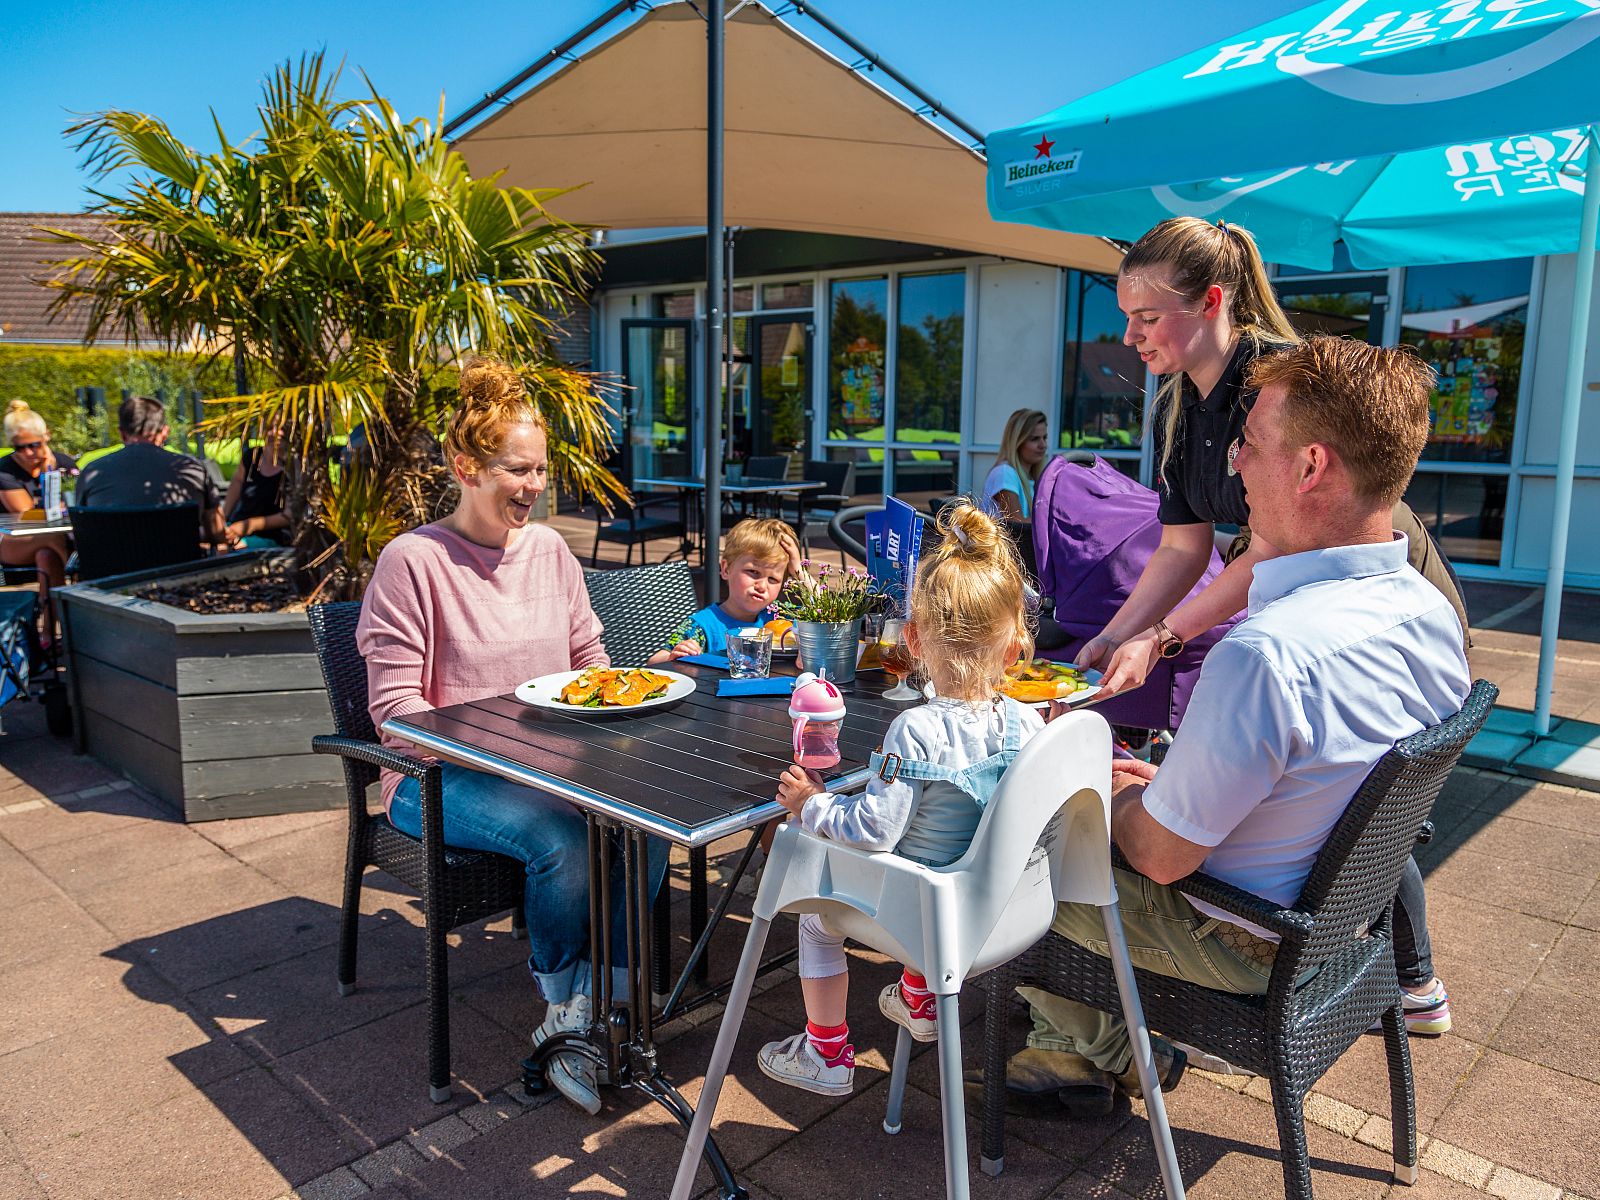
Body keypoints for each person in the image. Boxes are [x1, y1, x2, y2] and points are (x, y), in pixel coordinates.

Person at [987, 336, 1472, 1119]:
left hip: (1243, 938)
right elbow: (1310, 780)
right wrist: (1166, 787)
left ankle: (1092, 1048)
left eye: (1249, 444)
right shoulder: (1428, 614)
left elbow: (1160, 857)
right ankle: (1089, 1044)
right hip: (1334, 925)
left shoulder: (1266, 655)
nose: (1236, 463)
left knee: (1007, 849)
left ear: (1310, 467)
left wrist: (1101, 791)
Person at [1076, 216, 1462, 1036]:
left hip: (1358, 584)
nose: (1131, 336)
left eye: (1147, 317)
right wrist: (1120, 634)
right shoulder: (1181, 408)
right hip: (1349, 592)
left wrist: (1165, 640)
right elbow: (1182, 550)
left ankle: (1411, 972)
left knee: (1354, 780)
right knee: (1337, 782)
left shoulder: (1277, 393)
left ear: (1213, 302)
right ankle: (1383, 967)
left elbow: (1271, 548)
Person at [357, 356, 668, 1117]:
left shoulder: (550, 551)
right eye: (516, 470)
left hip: (549, 764)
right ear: (466, 467)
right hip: (434, 778)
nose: (534, 485)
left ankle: (599, 1004)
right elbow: (394, 712)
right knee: (561, 837)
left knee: (650, 820)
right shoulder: (413, 561)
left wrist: (618, 691)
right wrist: (503, 754)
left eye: (540, 469)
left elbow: (587, 658)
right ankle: (563, 1005)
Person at [756, 501, 1044, 1096]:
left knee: (815, 917)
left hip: (920, 913)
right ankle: (920, 998)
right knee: (931, 852)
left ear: (911, 639)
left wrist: (811, 804)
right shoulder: (1028, 725)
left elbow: (873, 831)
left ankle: (826, 1052)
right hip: (992, 909)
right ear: (1015, 646)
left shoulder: (915, 728)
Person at [74, 394, 228, 546]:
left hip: (113, 562)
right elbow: (217, 533)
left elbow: (83, 531)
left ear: (122, 433)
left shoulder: (92, 473)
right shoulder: (192, 468)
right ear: (165, 432)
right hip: (181, 561)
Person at [648, 516, 799, 663]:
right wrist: (673, 655)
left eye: (773, 579)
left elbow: (814, 614)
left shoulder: (779, 619)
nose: (762, 586)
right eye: (753, 572)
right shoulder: (703, 626)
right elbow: (654, 661)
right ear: (726, 569)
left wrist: (800, 572)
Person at [0, 400, 76, 645]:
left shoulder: (65, 464)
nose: (29, 452)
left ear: (46, 438)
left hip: (55, 543)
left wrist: (51, 467)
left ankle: (49, 634)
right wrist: (47, 471)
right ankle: (78, 593)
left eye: (34, 445)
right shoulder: (5, 471)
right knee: (53, 539)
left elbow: (78, 501)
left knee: (47, 555)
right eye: (20, 447)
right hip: (12, 542)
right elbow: (24, 513)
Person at [222, 424, 289, 549]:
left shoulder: (294, 466)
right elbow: (236, 483)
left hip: (270, 536)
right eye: (271, 428)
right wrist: (222, 522)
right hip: (237, 525)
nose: (276, 433)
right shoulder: (251, 456)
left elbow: (288, 516)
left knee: (235, 548)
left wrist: (249, 525)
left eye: (282, 428)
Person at [981, 408, 1048, 522]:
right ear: (1017, 442)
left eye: (1045, 438)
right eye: (1034, 439)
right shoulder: (1005, 473)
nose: (1043, 445)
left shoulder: (1030, 477)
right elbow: (1017, 525)